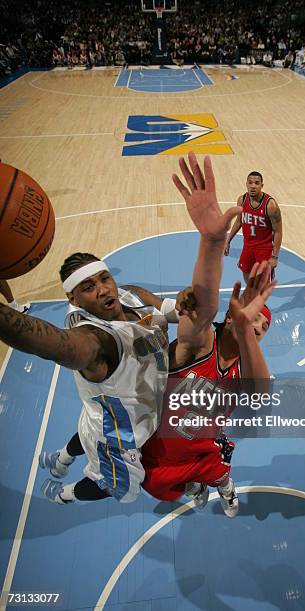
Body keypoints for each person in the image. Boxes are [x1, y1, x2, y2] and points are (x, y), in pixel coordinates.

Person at [0, 152, 240, 505]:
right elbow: (51, 343)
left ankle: (61, 459)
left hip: (111, 407)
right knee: (112, 484)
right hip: (120, 431)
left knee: (88, 422)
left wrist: (194, 281)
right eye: (89, 288)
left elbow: (185, 312)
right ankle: (63, 493)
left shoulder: (133, 296)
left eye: (104, 278)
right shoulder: (94, 341)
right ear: (74, 299)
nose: (104, 290)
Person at [141, 261, 273, 518]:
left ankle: (226, 489)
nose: (257, 327)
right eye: (252, 318)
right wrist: (211, 243)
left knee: (220, 475)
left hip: (205, 443)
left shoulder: (247, 368)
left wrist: (246, 333)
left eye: (263, 327)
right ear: (230, 316)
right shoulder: (203, 343)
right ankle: (193, 486)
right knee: (154, 484)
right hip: (164, 440)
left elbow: (262, 394)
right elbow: (195, 324)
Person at [224, 171, 283, 283]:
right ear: (246, 184)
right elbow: (239, 221)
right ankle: (252, 294)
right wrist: (228, 239)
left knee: (262, 283)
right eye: (250, 183)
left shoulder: (270, 205)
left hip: (264, 249)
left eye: (256, 183)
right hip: (248, 246)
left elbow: (278, 231)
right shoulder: (242, 200)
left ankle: (260, 300)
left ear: (262, 185)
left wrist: (275, 256)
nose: (253, 186)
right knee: (246, 275)